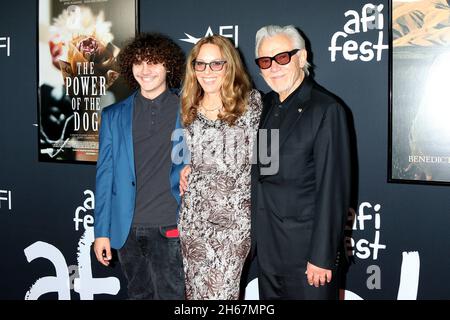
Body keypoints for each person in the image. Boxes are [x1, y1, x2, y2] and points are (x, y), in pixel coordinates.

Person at [251, 25, 351, 300]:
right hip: (269, 252)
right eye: (265, 61)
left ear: (301, 56)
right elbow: (261, 170)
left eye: (282, 57)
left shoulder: (326, 109)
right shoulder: (265, 106)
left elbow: (333, 190)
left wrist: (322, 256)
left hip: (308, 257)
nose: (274, 67)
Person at [93, 33, 186, 300]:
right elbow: (105, 176)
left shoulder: (189, 108)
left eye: (153, 62)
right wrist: (102, 232)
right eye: (139, 63)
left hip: (170, 227)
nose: (145, 70)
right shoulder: (113, 115)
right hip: (127, 230)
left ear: (168, 66)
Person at [178, 34, 262, 300]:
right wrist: (189, 166)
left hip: (233, 224)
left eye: (216, 63)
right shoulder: (189, 106)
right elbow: (192, 152)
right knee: (195, 294)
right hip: (193, 220)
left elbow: (267, 160)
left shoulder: (252, 104)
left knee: (222, 294)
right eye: (200, 64)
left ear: (230, 65)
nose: (207, 71)